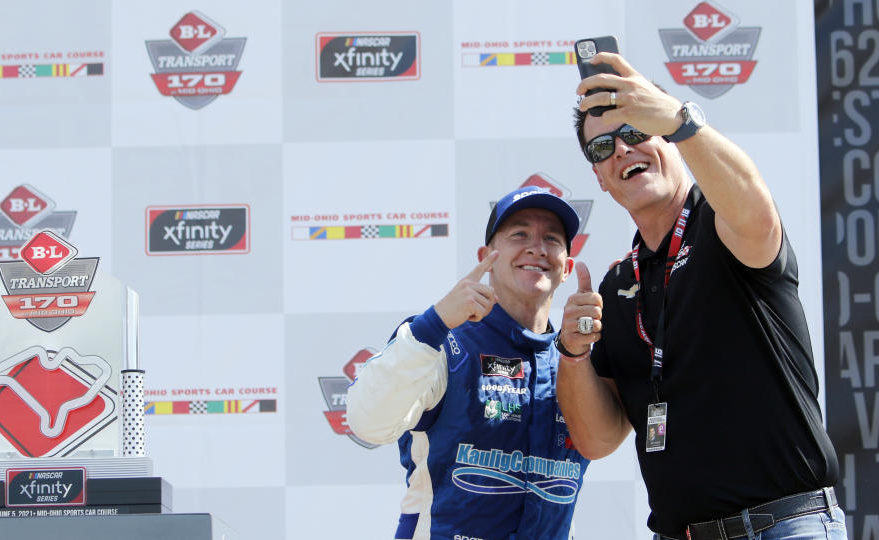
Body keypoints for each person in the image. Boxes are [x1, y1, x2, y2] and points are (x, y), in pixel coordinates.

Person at [556, 51, 844, 540]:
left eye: (634, 132)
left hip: (786, 525)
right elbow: (597, 439)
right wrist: (574, 353)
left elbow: (755, 211)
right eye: (602, 147)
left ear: (669, 139)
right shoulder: (615, 286)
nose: (622, 151)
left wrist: (678, 118)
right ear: (599, 180)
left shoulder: (721, 223)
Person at [347, 186, 589, 540]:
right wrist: (433, 324)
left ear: (566, 267)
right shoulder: (441, 341)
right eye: (519, 234)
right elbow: (366, 421)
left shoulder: (576, 363)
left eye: (551, 238)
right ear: (485, 256)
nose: (536, 248)